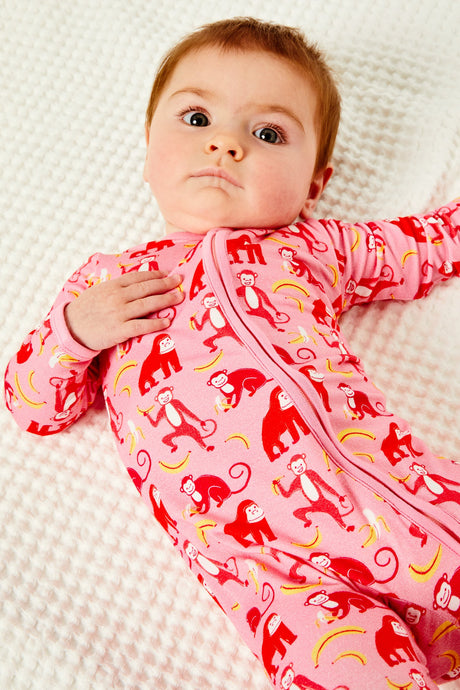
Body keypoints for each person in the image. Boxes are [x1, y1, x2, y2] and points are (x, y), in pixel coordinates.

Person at [4, 16, 460, 690]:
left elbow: (425, 245)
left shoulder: (313, 248)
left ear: (314, 183)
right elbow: (32, 403)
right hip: (279, 584)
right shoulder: (108, 285)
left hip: (398, 503)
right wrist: (73, 332)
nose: (225, 143)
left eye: (268, 133)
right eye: (196, 119)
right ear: (149, 149)